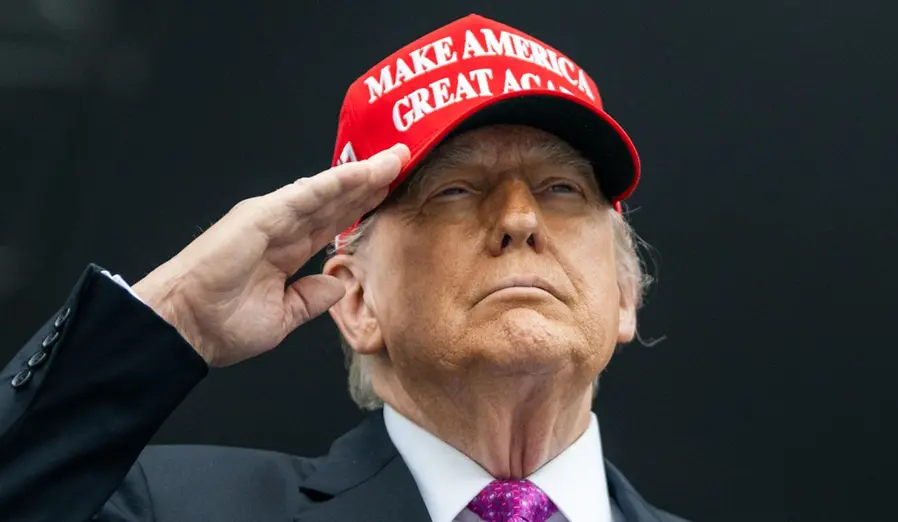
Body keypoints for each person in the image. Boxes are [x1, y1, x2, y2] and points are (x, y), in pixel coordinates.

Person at [0, 13, 689, 522]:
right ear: (356, 301)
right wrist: (174, 313)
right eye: (454, 191)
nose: (519, 218)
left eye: (562, 188)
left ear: (624, 293)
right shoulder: (167, 506)